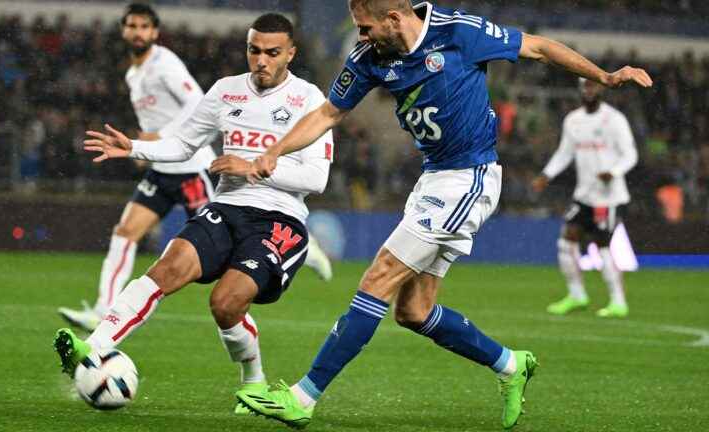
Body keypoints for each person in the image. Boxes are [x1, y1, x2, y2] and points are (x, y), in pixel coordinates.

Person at [234, 0, 652, 430]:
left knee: (379, 277)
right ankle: (511, 364)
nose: (359, 37)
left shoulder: (457, 33)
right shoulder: (368, 58)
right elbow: (327, 114)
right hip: (433, 179)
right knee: (413, 311)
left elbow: (540, 49)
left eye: (364, 27)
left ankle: (303, 398)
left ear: (393, 19)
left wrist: (603, 76)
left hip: (470, 177)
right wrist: (275, 149)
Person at [53, 12, 335, 414]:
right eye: (254, 51)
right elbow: (184, 145)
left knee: (225, 303)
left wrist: (252, 166)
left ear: (291, 53)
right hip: (225, 208)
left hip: (278, 219)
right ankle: (93, 347)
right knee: (166, 270)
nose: (261, 61)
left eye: (272, 53)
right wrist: (133, 147)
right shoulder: (226, 91)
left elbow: (316, 178)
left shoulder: (310, 99)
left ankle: (252, 380)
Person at [57, 3, 218, 331]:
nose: (138, 32)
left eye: (144, 27)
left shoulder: (164, 63)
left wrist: (160, 137)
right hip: (161, 171)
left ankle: (299, 246)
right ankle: (104, 309)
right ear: (123, 30)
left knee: (220, 246)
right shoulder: (134, 73)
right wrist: (148, 149)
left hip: (191, 167)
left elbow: (199, 103)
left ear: (155, 32)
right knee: (125, 232)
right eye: (132, 26)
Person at [532, 78, 638, 318]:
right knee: (566, 240)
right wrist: (546, 175)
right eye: (585, 86)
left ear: (601, 89)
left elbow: (630, 154)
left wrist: (614, 172)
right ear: (581, 90)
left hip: (609, 198)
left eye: (593, 86)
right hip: (584, 195)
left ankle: (618, 301)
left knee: (602, 247)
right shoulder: (573, 120)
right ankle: (577, 294)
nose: (589, 90)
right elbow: (564, 152)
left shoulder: (614, 120)